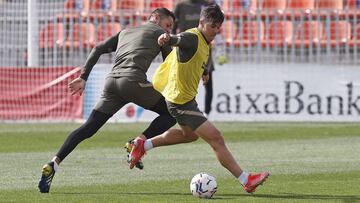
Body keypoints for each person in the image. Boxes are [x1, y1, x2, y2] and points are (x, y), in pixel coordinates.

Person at [129, 4, 269, 193]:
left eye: (219, 27)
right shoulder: (192, 37)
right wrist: (167, 38)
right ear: (201, 22)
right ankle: (246, 180)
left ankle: (142, 145)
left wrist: (204, 71)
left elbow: (193, 55)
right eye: (213, 26)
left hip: (183, 98)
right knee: (216, 138)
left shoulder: (204, 40)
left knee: (190, 135)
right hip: (180, 102)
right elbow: (178, 40)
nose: (216, 31)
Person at [38, 8, 178, 193]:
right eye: (167, 25)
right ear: (156, 18)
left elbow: (98, 48)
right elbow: (171, 62)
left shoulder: (125, 32)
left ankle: (53, 163)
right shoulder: (161, 34)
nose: (168, 31)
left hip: (111, 83)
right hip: (133, 82)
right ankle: (138, 142)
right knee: (171, 112)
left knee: (88, 128)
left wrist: (83, 77)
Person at [172, 0, 215, 118]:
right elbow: (173, 26)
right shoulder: (180, 6)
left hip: (204, 47)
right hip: (185, 48)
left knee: (208, 81)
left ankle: (207, 113)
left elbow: (214, 24)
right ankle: (183, 110)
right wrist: (172, 41)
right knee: (183, 81)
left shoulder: (206, 5)